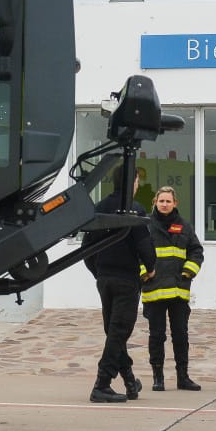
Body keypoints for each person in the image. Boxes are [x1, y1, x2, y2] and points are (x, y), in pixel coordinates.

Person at [81, 170, 156, 403]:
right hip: (126, 280)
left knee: (114, 332)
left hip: (104, 279)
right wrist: (150, 267)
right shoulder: (134, 209)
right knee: (119, 332)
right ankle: (101, 384)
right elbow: (145, 246)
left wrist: (99, 272)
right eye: (136, 181)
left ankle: (130, 381)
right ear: (131, 182)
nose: (137, 185)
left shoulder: (99, 207)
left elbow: (86, 250)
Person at [142, 186, 204, 391]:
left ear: (175, 203)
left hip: (178, 290)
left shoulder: (184, 226)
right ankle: (158, 377)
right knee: (157, 336)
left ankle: (183, 377)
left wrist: (188, 272)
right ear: (155, 202)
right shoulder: (146, 226)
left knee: (181, 335)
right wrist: (144, 272)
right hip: (155, 290)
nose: (165, 204)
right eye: (162, 201)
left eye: (169, 201)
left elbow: (196, 251)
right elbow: (135, 252)